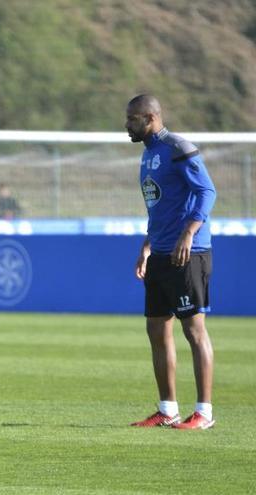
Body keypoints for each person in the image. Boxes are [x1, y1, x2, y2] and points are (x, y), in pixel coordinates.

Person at [125, 94, 217, 430]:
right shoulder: (148, 154)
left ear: (150, 118)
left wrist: (190, 232)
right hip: (161, 252)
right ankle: (168, 410)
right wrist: (147, 246)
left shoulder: (178, 147)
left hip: (187, 253)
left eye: (132, 119)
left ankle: (204, 413)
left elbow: (207, 191)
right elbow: (160, 207)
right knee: (156, 328)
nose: (127, 125)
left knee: (194, 330)